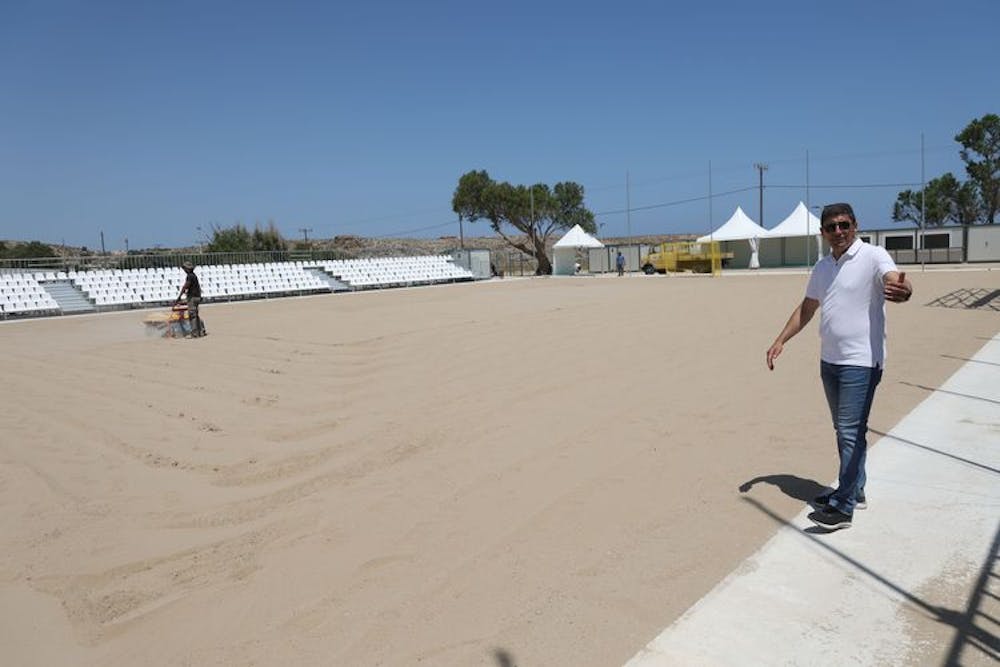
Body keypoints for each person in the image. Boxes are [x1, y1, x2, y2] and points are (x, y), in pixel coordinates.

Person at [765, 203, 912, 531]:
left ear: (855, 225)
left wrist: (903, 290)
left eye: (844, 225)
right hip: (829, 361)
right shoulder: (822, 268)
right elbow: (807, 308)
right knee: (847, 430)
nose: (838, 232)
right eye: (831, 227)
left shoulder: (873, 256)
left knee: (848, 431)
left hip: (861, 362)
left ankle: (843, 506)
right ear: (823, 233)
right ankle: (854, 489)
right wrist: (780, 340)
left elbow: (895, 281)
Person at [176, 261, 207, 338]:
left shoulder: (190, 276)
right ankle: (201, 330)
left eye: (185, 268)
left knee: (192, 315)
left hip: (192, 297)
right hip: (197, 296)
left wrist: (179, 296)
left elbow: (186, 286)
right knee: (195, 314)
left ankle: (194, 333)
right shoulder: (194, 276)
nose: (184, 270)